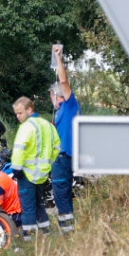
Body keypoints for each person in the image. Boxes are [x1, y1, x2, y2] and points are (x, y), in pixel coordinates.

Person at [11, 95, 61, 238]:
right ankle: (46, 233)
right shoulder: (48, 125)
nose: (18, 116)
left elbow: (19, 149)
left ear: (29, 109)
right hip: (43, 174)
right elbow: (57, 147)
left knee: (28, 208)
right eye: (16, 114)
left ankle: (30, 238)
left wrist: (16, 169)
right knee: (39, 204)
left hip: (26, 174)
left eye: (20, 113)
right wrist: (49, 164)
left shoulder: (26, 127)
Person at [48, 44, 80, 233]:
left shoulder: (69, 105)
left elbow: (64, 81)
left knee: (61, 194)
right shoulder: (61, 112)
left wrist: (58, 58)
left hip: (64, 157)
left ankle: (67, 232)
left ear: (56, 94)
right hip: (60, 158)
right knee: (62, 194)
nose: (51, 99)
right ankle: (69, 229)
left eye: (51, 95)